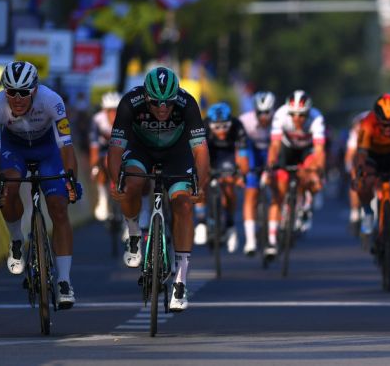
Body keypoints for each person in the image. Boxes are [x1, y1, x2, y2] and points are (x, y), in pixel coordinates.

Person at [107, 66, 209, 312]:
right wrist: (115, 182)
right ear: (146, 96)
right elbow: (115, 149)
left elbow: (201, 150)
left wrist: (200, 185)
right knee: (132, 183)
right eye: (156, 103)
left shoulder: (187, 103)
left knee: (183, 204)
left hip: (177, 152)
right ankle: (133, 232)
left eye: (168, 103)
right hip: (141, 150)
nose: (162, 108)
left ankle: (181, 282)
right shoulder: (130, 102)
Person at [0, 61, 82, 308]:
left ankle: (64, 281)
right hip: (13, 150)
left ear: (35, 90)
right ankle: (16, 239)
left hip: (48, 151)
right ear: (4, 91)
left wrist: (71, 180)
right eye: (11, 92)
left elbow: (67, 147)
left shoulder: (53, 101)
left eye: (24, 92)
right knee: (9, 187)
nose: (17, 99)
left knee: (59, 206)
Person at [354, 94, 390, 275]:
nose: (388, 128)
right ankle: (368, 211)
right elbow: (362, 153)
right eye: (384, 124)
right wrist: (361, 172)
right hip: (373, 156)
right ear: (377, 119)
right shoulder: (367, 122)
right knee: (365, 183)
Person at [266, 90, 326, 256]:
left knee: (313, 174)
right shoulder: (280, 115)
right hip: (287, 149)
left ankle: (307, 202)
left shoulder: (317, 118)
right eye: (293, 115)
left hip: (306, 150)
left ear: (308, 113)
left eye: (302, 115)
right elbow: (275, 145)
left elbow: (320, 150)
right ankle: (271, 242)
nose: (297, 119)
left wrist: (318, 171)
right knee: (278, 193)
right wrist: (271, 164)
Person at [194, 102, 249, 253]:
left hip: (229, 155)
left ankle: (230, 224)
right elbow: (198, 154)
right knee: (200, 181)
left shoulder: (238, 127)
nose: (221, 131)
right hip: (209, 153)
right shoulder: (203, 127)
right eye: (217, 127)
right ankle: (201, 222)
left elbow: (243, 156)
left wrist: (241, 175)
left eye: (225, 126)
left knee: (230, 185)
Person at [239, 91, 276, 255]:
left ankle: (273, 236)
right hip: (251, 151)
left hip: (270, 150)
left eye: (267, 112)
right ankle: (250, 240)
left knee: (276, 187)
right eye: (260, 112)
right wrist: (242, 172)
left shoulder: (278, 121)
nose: (264, 116)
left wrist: (271, 169)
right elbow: (239, 150)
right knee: (251, 192)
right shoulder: (245, 121)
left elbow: (278, 148)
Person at [90, 92, 121, 221]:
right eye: (110, 111)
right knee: (101, 166)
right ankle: (103, 199)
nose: (113, 114)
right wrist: (94, 167)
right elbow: (94, 146)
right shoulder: (97, 120)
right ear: (104, 111)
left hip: (121, 150)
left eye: (116, 111)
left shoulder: (125, 119)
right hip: (104, 150)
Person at [345, 110, 370, 234]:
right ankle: (354, 212)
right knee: (355, 178)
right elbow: (350, 152)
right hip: (361, 156)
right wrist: (349, 166)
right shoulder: (356, 133)